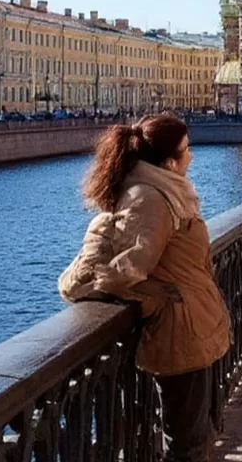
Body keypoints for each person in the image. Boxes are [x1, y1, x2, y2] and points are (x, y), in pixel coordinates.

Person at [59, 116, 231, 461]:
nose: (191, 156)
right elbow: (127, 269)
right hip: (179, 330)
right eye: (187, 149)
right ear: (169, 161)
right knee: (187, 445)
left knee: (193, 436)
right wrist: (158, 293)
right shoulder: (150, 198)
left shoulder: (165, 190)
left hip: (189, 325)